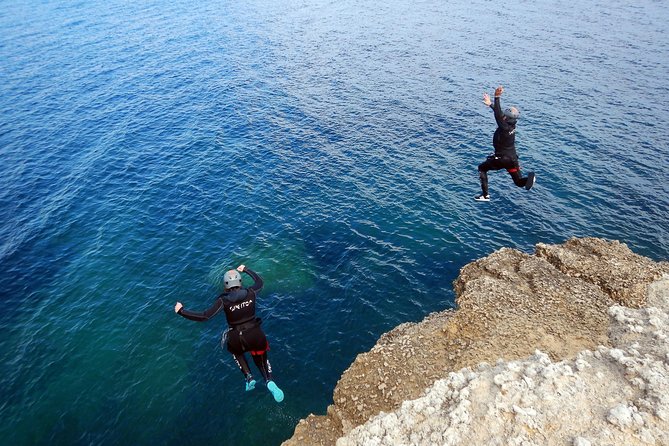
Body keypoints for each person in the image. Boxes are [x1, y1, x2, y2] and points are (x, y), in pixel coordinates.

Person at [174, 264, 284, 403]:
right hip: (256, 334)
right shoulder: (251, 292)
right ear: (240, 282)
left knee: (236, 352)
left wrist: (181, 311)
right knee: (260, 358)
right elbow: (260, 282)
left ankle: (249, 377)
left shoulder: (223, 301)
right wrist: (246, 269)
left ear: (226, 285)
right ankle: (269, 380)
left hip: (237, 337)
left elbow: (204, 316)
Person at [476, 85, 536, 201]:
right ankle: (530, 179)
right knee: (518, 182)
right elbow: (500, 114)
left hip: (503, 159)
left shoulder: (504, 127)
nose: (502, 117)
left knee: (482, 168)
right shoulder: (512, 125)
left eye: (504, 116)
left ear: (506, 118)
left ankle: (485, 195)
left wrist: (497, 97)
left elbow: (498, 115)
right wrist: (491, 105)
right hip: (512, 159)